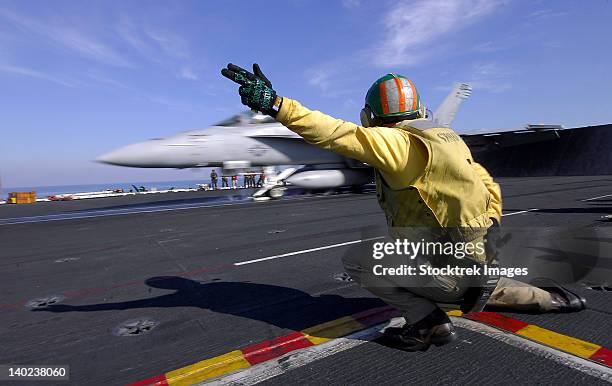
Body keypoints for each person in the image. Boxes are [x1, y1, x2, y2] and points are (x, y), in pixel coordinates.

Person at [222, 63, 586, 351]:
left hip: (450, 269)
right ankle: (555, 300)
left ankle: (427, 324)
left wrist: (275, 104)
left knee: (361, 260)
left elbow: (335, 133)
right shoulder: (446, 138)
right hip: (482, 257)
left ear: (372, 115)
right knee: (487, 286)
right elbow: (486, 180)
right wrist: (488, 228)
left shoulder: (397, 144)